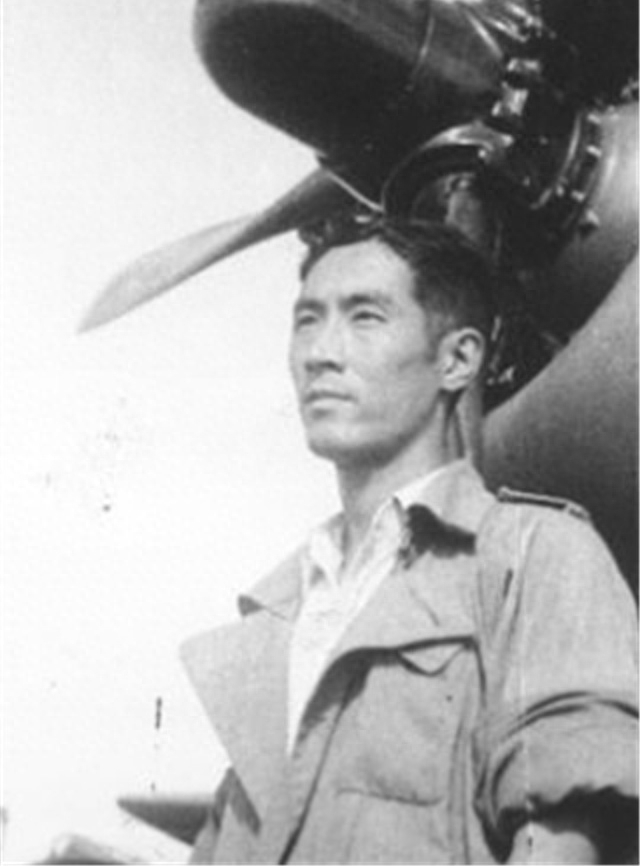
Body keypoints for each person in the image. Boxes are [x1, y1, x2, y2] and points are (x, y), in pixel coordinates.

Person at [181, 213, 638, 865]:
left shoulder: (535, 556)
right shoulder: (286, 604)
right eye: (307, 319)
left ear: (458, 360)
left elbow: (562, 844)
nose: (320, 353)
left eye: (365, 317)